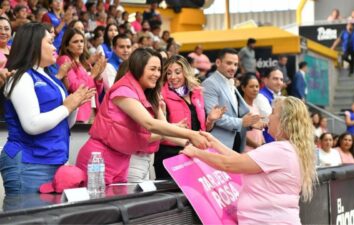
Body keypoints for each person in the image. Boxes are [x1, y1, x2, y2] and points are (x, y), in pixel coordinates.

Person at [76, 48, 209, 184]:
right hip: (101, 159)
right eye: (152, 69)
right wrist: (191, 134)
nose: (157, 74)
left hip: (123, 160)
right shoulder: (123, 91)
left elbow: (163, 128)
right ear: (138, 68)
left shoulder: (150, 94)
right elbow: (150, 124)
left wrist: (194, 143)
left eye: (159, 69)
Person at [181, 96, 317, 224]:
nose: (268, 117)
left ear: (284, 120)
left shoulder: (280, 150)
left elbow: (229, 165)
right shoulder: (288, 149)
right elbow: (240, 160)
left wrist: (196, 152)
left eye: (273, 113)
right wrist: (214, 143)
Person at [0, 23, 95, 194]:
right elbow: (32, 125)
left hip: (52, 160)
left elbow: (65, 124)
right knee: (26, 218)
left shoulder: (52, 78)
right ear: (34, 44)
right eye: (50, 42)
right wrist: (67, 107)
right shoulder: (21, 77)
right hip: (28, 162)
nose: (54, 47)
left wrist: (74, 106)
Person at [154, 55, 225, 179]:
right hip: (170, 156)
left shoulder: (197, 93)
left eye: (177, 72)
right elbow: (159, 129)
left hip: (196, 154)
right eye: (169, 73)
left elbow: (202, 129)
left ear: (186, 72)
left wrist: (210, 120)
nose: (173, 77)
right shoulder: (160, 96)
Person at [202, 48, 261, 152]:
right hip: (220, 144)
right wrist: (242, 122)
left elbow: (237, 112)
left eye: (235, 64)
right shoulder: (210, 84)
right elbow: (213, 117)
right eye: (229, 63)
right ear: (218, 62)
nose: (233, 68)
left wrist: (251, 123)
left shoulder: (230, 82)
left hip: (237, 142)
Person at [57, 28, 107, 123]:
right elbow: (75, 87)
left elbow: (96, 91)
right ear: (67, 46)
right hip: (79, 111)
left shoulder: (84, 63)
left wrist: (98, 76)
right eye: (75, 42)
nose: (80, 44)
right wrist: (92, 75)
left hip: (92, 109)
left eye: (81, 41)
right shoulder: (65, 59)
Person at [238, 74, 265, 152]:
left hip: (257, 151)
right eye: (251, 86)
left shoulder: (255, 107)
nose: (255, 89)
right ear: (243, 88)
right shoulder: (241, 107)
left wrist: (262, 143)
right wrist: (256, 145)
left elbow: (259, 131)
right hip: (246, 152)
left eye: (257, 86)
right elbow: (240, 133)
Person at [259, 67, 284, 143]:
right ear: (266, 81)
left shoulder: (278, 95)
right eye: (275, 79)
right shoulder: (261, 97)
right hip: (267, 142)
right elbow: (271, 120)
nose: (279, 82)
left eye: (281, 79)